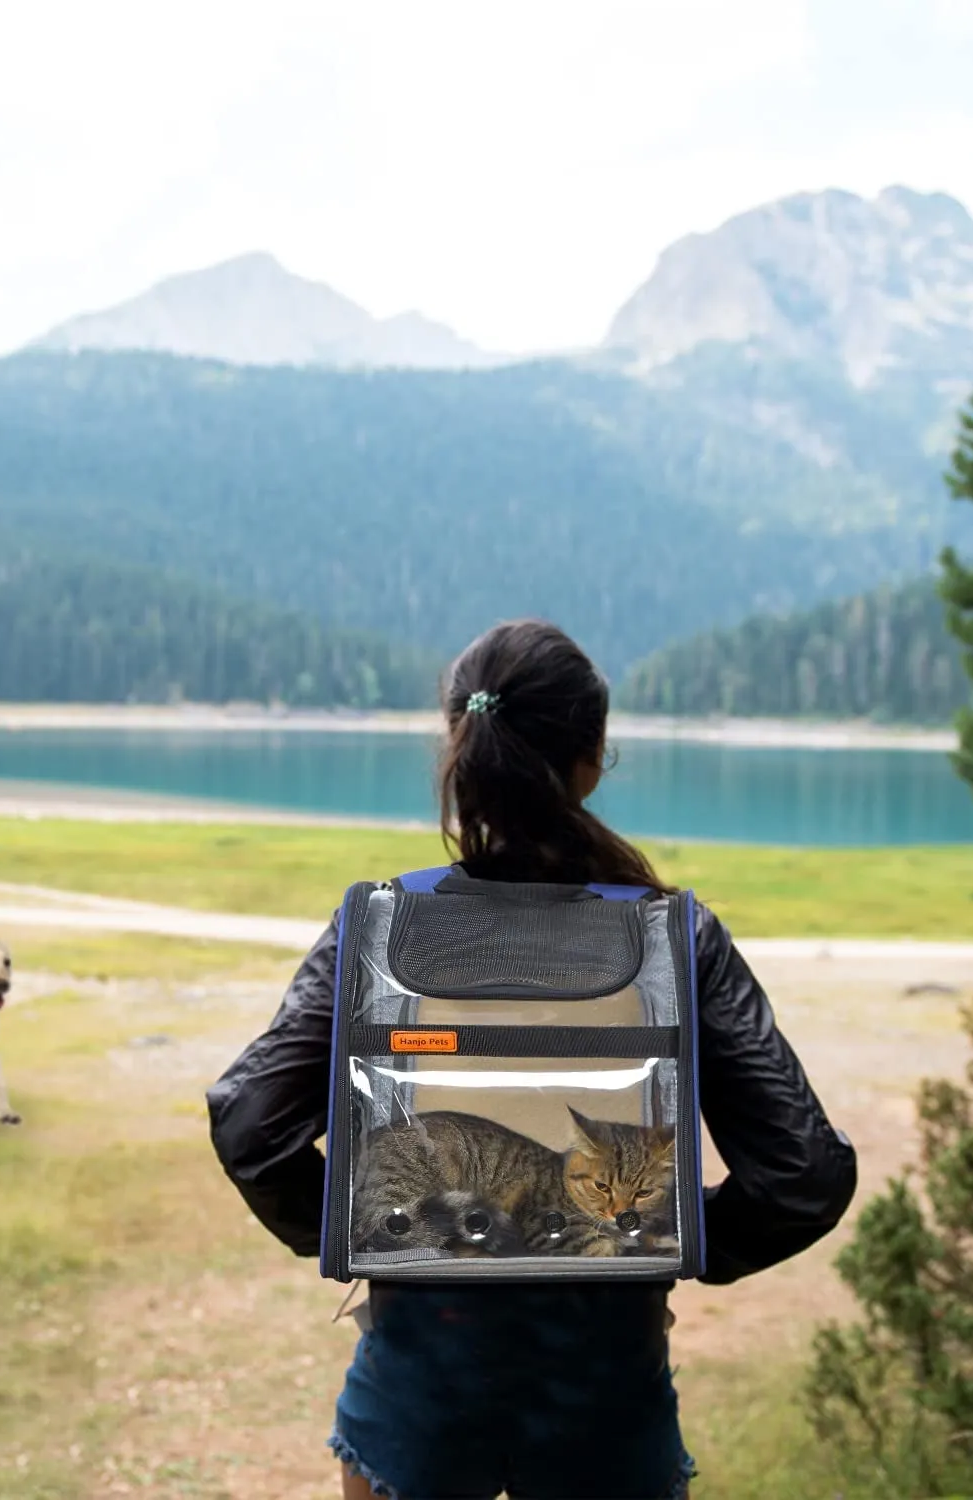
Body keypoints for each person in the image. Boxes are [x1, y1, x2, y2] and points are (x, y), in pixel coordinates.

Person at [206, 619, 858, 1500]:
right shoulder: (675, 938)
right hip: (607, 1410)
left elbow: (249, 1120)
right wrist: (653, 1247)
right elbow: (805, 1175)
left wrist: (380, 1237)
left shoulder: (380, 931)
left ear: (459, 744)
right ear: (592, 761)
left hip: (415, 1408)